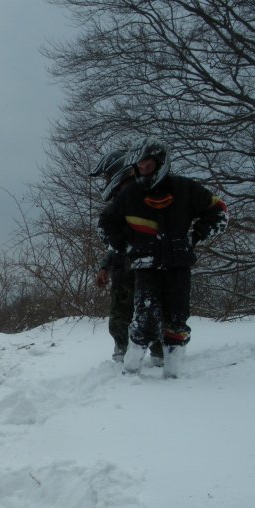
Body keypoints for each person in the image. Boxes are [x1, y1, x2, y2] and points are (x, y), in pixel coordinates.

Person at [97, 137, 228, 378]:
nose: (144, 170)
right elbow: (105, 223)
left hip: (178, 264)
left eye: (148, 165)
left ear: (160, 162)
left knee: (177, 320)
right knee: (144, 319)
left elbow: (219, 211)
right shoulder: (130, 194)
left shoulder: (184, 188)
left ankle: (172, 375)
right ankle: (129, 371)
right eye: (139, 166)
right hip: (145, 266)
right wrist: (124, 247)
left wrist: (195, 235)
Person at [89, 149, 163, 365]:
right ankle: (121, 348)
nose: (107, 181)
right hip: (123, 268)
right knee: (120, 313)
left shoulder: (147, 196)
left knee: (153, 309)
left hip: (150, 265)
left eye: (108, 176)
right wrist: (105, 266)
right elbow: (116, 242)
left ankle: (160, 352)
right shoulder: (118, 203)